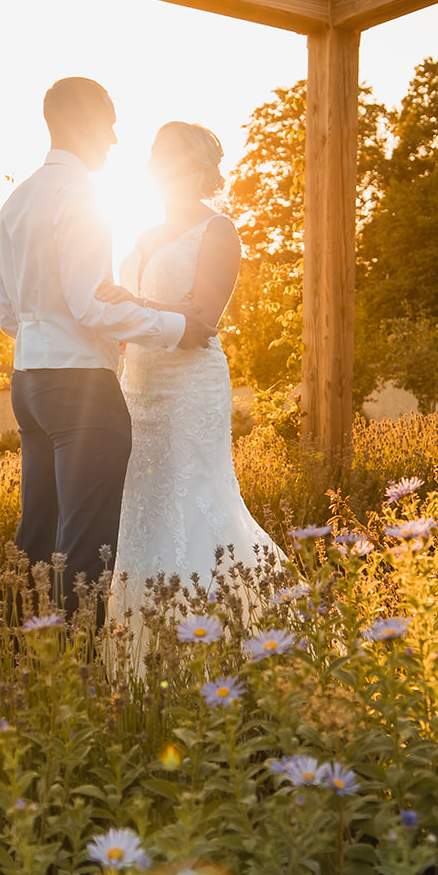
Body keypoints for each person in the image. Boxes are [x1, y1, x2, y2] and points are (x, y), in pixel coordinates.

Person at [0, 79, 217, 619]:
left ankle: (16, 652)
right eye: (111, 122)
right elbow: (91, 305)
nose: (116, 138)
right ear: (86, 122)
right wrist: (172, 326)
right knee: (87, 546)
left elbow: (6, 317)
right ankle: (79, 670)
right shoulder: (84, 197)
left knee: (38, 531)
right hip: (80, 391)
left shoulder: (15, 201)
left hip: (27, 383)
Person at [95, 121, 281, 645]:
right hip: (139, 386)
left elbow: (199, 324)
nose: (156, 160)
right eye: (154, 151)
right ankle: (144, 642)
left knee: (194, 495)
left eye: (168, 152)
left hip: (190, 385)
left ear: (198, 166)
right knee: (142, 501)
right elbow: (120, 318)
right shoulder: (142, 235)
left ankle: (221, 636)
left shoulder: (217, 230)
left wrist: (140, 305)